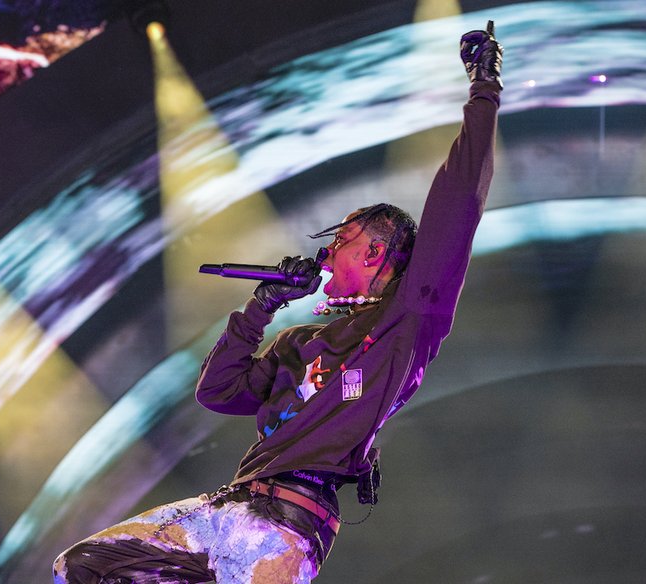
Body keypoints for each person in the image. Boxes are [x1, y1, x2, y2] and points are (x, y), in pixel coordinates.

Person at [53, 23, 503, 584]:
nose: (328, 251)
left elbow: (457, 203)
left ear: (376, 251)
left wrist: (484, 88)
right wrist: (261, 307)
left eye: (341, 240)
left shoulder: (409, 316)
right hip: (225, 509)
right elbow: (219, 392)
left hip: (288, 526)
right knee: (82, 567)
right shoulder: (298, 341)